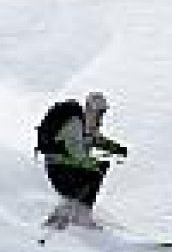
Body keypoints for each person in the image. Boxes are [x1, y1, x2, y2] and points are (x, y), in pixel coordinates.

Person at [42, 91, 127, 229]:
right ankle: (80, 215)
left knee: (94, 170)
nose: (100, 115)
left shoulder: (90, 126)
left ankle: (64, 214)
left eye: (102, 112)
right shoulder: (75, 123)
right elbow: (76, 153)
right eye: (98, 111)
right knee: (96, 171)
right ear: (89, 108)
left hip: (67, 167)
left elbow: (97, 140)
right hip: (57, 168)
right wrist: (94, 163)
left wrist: (117, 149)